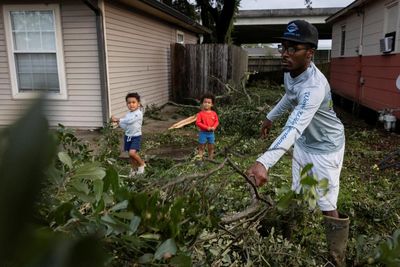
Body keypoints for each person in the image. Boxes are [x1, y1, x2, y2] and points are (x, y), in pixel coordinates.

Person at [246, 20, 348, 266]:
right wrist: (270, 117)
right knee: (300, 189)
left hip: (325, 147)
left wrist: (263, 162)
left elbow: (293, 126)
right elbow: (289, 95)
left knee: (326, 203)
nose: (285, 53)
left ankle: (337, 258)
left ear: (310, 54)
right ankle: (294, 235)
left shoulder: (313, 87)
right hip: (305, 142)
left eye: (293, 48)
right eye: (283, 46)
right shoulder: (292, 72)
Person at [112, 92, 145, 176]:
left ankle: (142, 164)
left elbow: (130, 121)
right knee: (131, 156)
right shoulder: (128, 114)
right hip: (128, 136)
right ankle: (133, 170)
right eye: (129, 103)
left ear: (138, 103)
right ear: (127, 104)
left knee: (132, 153)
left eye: (133, 102)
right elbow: (126, 126)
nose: (131, 104)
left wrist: (118, 120)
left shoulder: (138, 113)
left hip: (136, 137)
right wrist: (119, 123)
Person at [196, 93, 219, 160]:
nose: (207, 104)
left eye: (209, 102)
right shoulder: (200, 114)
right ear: (202, 103)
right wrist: (207, 127)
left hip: (211, 133)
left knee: (211, 146)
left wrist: (214, 127)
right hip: (203, 133)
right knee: (201, 146)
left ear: (212, 104)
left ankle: (210, 158)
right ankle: (200, 158)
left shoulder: (214, 113)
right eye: (205, 102)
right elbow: (198, 123)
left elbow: (217, 121)